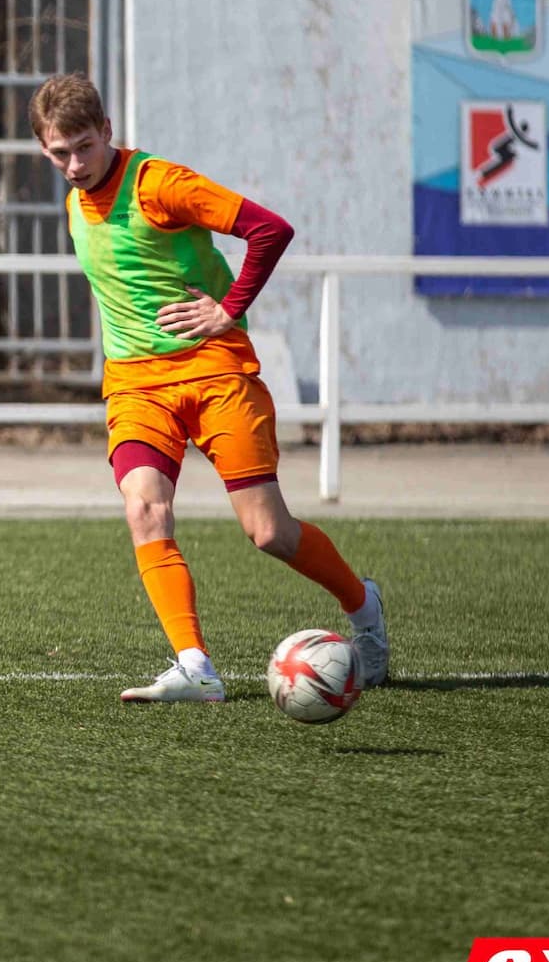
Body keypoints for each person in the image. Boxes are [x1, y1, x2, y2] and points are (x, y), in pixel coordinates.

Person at [29, 72, 387, 703]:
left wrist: (229, 307)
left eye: (85, 146)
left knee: (269, 533)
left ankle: (362, 606)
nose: (76, 164)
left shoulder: (159, 183)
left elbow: (270, 229)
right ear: (44, 149)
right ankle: (195, 666)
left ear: (108, 131)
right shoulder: (74, 199)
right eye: (60, 153)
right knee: (144, 508)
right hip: (138, 386)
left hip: (215, 371)